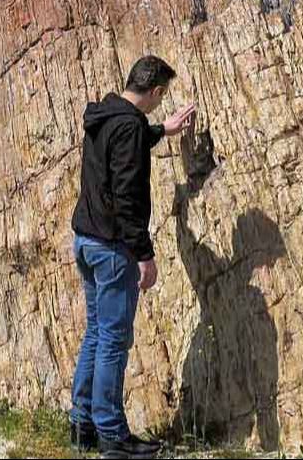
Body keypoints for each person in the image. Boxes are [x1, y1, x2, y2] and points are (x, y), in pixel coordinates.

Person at [69, 55, 195, 459]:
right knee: (113, 342)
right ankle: (113, 436)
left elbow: (123, 145)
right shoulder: (129, 126)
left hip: (86, 242)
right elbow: (127, 197)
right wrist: (144, 255)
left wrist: (161, 130)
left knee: (96, 333)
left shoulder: (106, 114)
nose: (162, 103)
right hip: (111, 249)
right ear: (156, 92)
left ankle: (82, 424)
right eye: (163, 97)